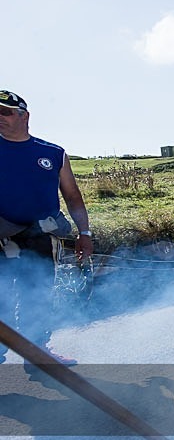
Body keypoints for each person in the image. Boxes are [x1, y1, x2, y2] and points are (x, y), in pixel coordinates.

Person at [0, 89, 93, 367]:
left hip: (40, 237)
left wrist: (84, 234)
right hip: (0, 237)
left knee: (37, 295)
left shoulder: (52, 153)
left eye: (5, 112)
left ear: (24, 116)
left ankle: (38, 353)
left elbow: (72, 196)